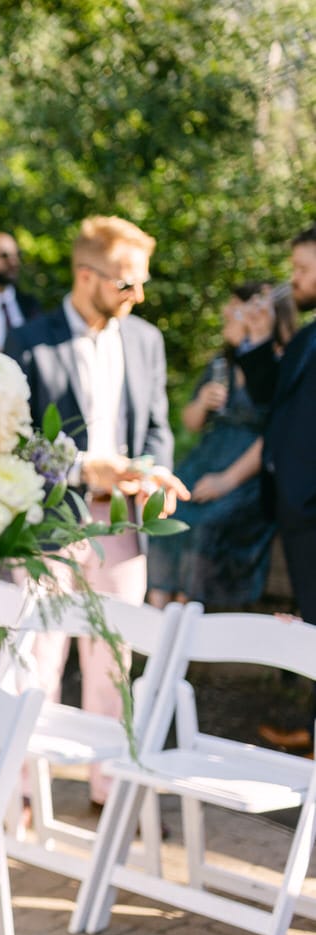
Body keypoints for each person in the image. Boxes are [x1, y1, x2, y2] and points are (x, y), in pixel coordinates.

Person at [3, 215, 186, 808]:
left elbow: (156, 426)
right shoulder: (29, 342)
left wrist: (154, 472)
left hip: (125, 530)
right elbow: (15, 442)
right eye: (128, 283)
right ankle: (24, 792)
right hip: (51, 527)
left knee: (113, 665)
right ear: (88, 276)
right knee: (39, 662)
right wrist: (85, 467)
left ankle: (109, 792)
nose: (139, 295)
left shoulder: (146, 341)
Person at [147, 282, 298, 608]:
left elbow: (275, 433)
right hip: (206, 457)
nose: (226, 313)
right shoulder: (222, 364)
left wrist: (226, 480)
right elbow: (190, 420)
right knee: (165, 519)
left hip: (245, 470)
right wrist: (201, 403)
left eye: (235, 307)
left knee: (203, 526)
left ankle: (184, 615)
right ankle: (157, 622)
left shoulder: (282, 365)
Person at [235, 226, 316, 751]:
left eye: (305, 269)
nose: (295, 279)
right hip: (296, 509)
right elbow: (271, 400)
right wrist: (261, 339)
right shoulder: (308, 335)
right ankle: (312, 732)